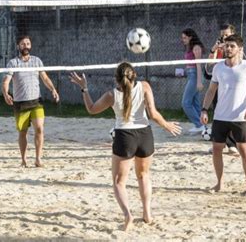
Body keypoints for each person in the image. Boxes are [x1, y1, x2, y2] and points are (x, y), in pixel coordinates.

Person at [69, 62, 181, 231]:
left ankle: (128, 215)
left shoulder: (111, 95)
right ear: (134, 75)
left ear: (116, 79)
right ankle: (147, 214)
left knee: (119, 182)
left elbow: (91, 109)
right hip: (145, 135)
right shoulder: (144, 86)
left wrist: (84, 88)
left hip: (124, 137)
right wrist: (167, 125)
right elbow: (153, 114)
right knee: (144, 176)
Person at [200, 34, 246, 196]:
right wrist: (204, 109)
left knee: (244, 151)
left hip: (239, 117)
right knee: (216, 149)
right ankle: (219, 183)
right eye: (226, 45)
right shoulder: (218, 67)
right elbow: (211, 90)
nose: (228, 48)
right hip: (220, 116)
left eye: (232, 46)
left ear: (239, 49)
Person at [2, 35, 60, 168]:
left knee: (39, 129)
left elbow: (44, 78)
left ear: (31, 45)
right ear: (18, 46)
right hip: (20, 103)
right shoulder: (13, 63)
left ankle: (38, 159)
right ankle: (23, 159)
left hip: (36, 102)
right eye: (23, 44)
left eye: (28, 43)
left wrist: (53, 90)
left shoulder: (37, 61)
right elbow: (6, 81)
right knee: (23, 132)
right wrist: (5, 93)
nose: (26, 46)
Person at [205, 24, 237, 152]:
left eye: (226, 35)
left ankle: (232, 144)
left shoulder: (236, 47)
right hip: (218, 84)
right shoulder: (219, 47)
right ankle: (219, 143)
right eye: (222, 35)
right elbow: (208, 67)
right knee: (218, 113)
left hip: (232, 86)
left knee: (232, 114)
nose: (224, 37)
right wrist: (214, 50)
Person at [181, 28, 204, 134]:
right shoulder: (190, 48)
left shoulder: (196, 47)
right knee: (195, 103)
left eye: (185, 37)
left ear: (190, 37)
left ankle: (199, 125)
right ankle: (202, 126)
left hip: (195, 75)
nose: (183, 40)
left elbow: (198, 65)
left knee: (186, 103)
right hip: (191, 75)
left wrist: (199, 81)